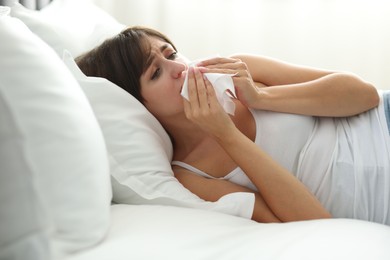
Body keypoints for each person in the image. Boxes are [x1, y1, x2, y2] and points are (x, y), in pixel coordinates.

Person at [76, 26, 390, 225]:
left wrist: (260, 96)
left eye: (171, 54)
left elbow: (364, 96)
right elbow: (314, 221)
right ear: (138, 106)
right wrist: (226, 135)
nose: (179, 69)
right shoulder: (189, 176)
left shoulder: (238, 70)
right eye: (156, 73)